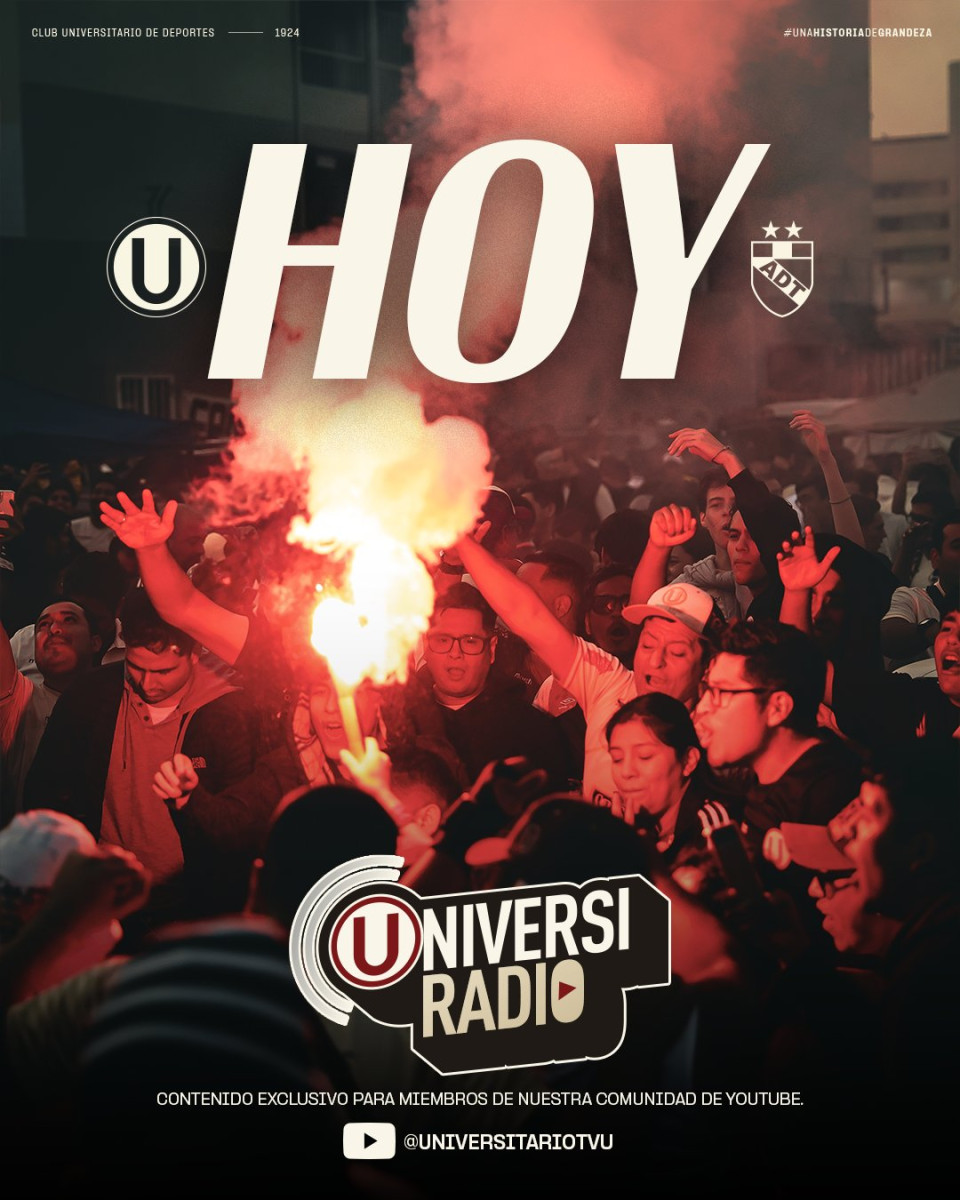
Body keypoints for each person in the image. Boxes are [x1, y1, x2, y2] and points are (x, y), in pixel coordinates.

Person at [24, 590, 258, 899]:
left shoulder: (229, 715)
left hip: (188, 900)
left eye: (163, 671)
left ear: (194, 653)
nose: (148, 683)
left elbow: (240, 829)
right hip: (100, 892)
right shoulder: (89, 695)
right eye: (135, 667)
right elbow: (45, 789)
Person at [457, 528, 716, 806]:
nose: (655, 661)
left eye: (676, 652)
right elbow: (525, 612)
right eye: (648, 645)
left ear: (708, 666)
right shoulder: (608, 682)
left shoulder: (714, 731)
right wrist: (458, 536)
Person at [693, 620, 862, 845]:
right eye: (706, 689)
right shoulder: (770, 785)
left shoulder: (830, 803)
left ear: (778, 708)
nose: (702, 707)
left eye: (719, 692)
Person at [404, 583, 574, 791]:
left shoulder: (531, 730)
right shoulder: (403, 720)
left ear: (491, 649)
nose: (455, 653)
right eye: (443, 640)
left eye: (470, 641)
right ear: (425, 645)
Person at [606, 693, 737, 861]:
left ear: (689, 761)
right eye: (617, 759)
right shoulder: (625, 828)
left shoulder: (713, 824)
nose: (626, 772)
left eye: (645, 756)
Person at [1, 600, 102, 819]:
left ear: (95, 642)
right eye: (43, 625)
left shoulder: (119, 702)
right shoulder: (21, 700)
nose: (54, 629)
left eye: (69, 620)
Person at [881, 509, 960, 665]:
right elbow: (888, 635)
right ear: (935, 557)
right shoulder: (913, 599)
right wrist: (934, 631)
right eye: (958, 546)